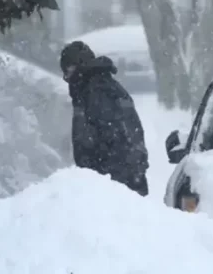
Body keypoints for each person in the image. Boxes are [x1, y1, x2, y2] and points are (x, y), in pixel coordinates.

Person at [59, 40, 150, 196]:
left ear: (78, 66)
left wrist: (96, 177)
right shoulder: (107, 86)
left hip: (114, 184)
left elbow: (108, 137)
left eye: (68, 71)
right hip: (127, 178)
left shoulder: (95, 92)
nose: (66, 77)